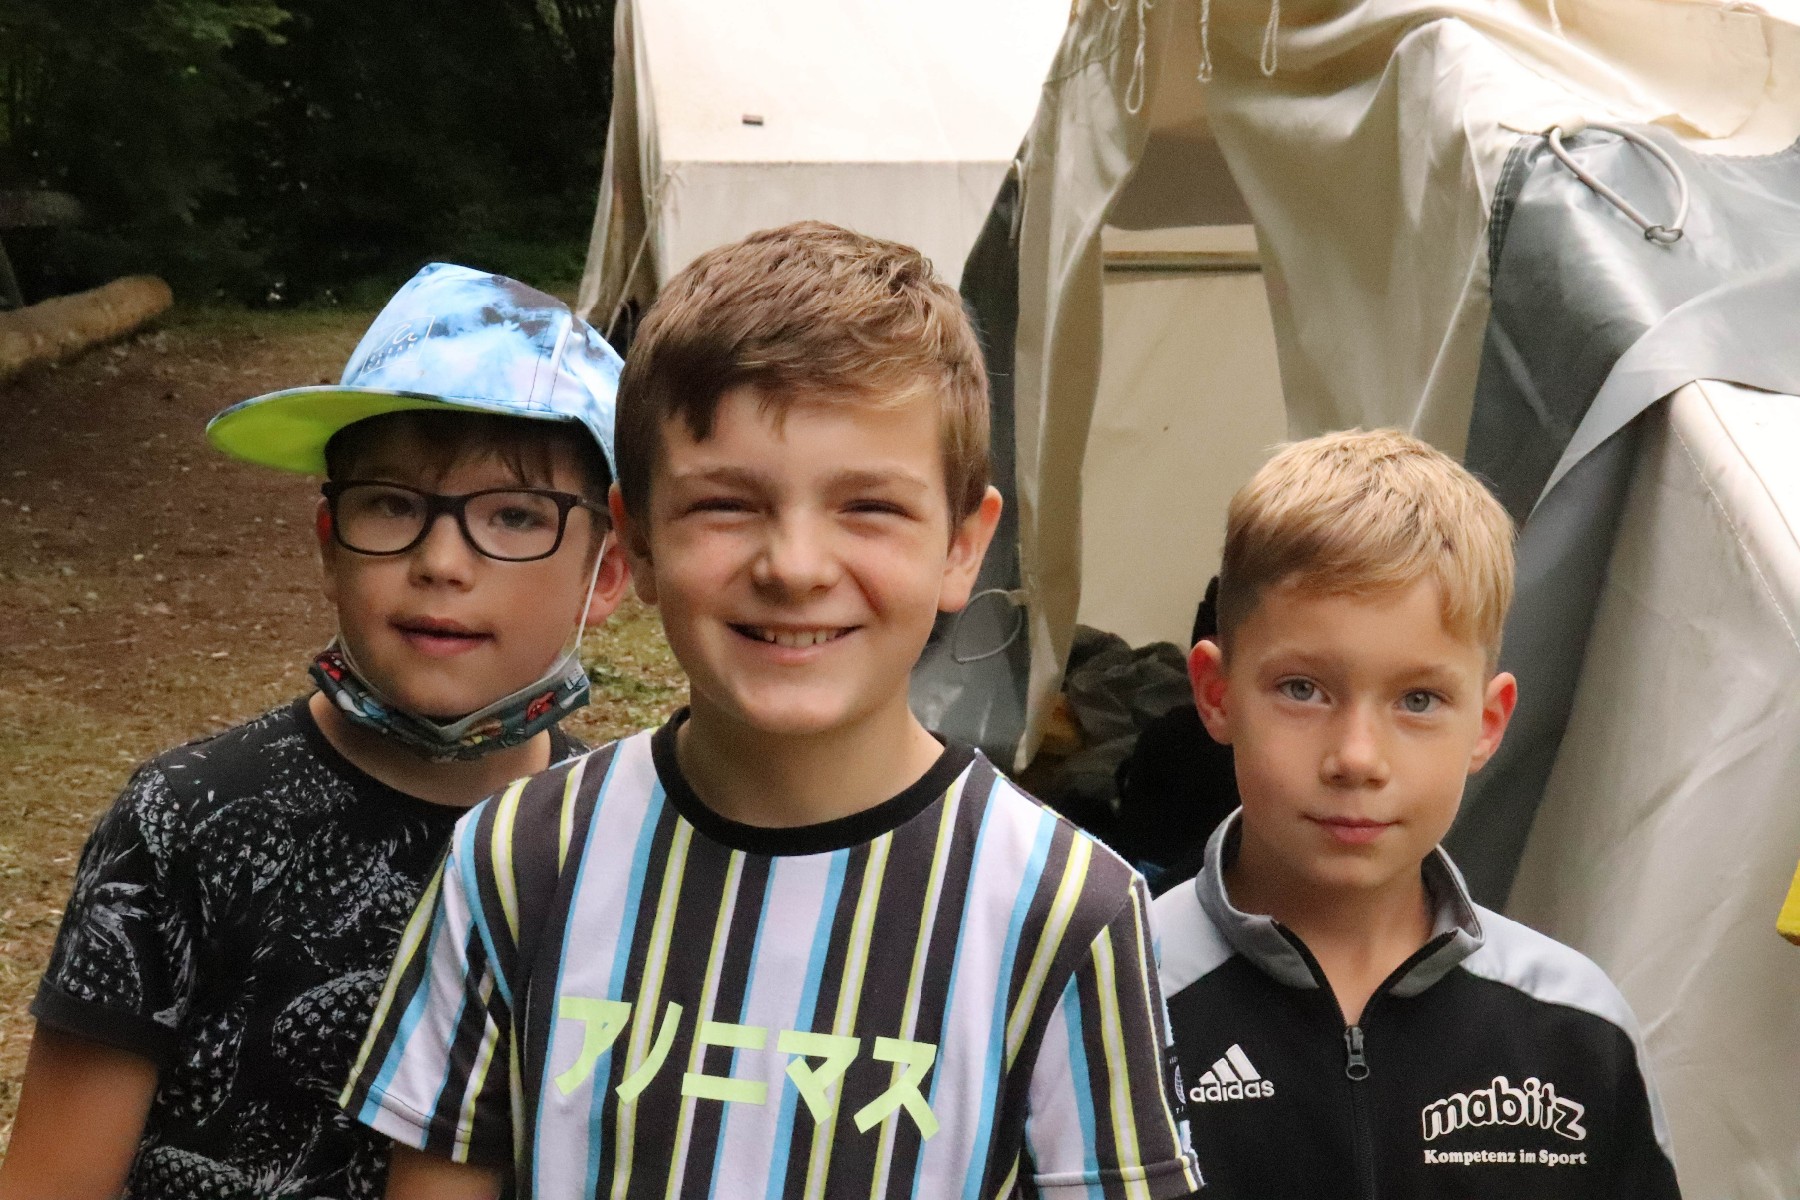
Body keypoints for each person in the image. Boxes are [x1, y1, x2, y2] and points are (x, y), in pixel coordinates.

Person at [342, 222, 1204, 1200]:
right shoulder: (518, 860)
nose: (794, 567)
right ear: (638, 541)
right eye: (726, 504)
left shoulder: (1065, 910)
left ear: (964, 546)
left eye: (869, 507)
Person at [0, 263, 632, 1200]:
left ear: (606, 573)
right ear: (330, 543)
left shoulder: (619, 847)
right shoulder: (186, 820)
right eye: (393, 504)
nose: (442, 562)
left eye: (513, 516)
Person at [1152, 429, 1681, 1198]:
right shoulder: (1112, 1004)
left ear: (1488, 724)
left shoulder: (1575, 1030)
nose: (1357, 757)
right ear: (1216, 693)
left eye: (1419, 700)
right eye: (1303, 689)